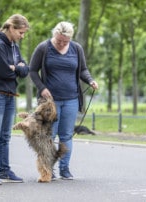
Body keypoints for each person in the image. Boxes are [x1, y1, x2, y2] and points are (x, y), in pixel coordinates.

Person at [29, 21, 98, 180]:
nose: (61, 44)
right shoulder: (43, 48)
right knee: (49, 136)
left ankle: (65, 169)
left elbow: (83, 70)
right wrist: (42, 88)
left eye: (65, 41)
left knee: (66, 135)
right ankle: (48, 170)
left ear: (70, 39)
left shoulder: (76, 49)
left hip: (71, 99)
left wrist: (90, 81)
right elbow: (32, 71)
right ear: (54, 35)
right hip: (49, 102)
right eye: (59, 40)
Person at [0, 14, 30, 185]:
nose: (22, 36)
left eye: (24, 33)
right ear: (11, 28)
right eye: (20, 32)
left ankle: (4, 171)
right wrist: (17, 68)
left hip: (10, 96)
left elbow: (26, 70)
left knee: (5, 136)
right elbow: (4, 72)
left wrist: (16, 67)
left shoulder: (14, 47)